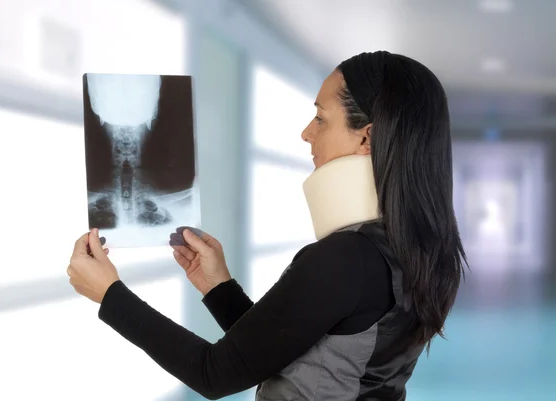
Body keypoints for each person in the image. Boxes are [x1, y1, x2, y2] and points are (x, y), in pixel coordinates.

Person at [67, 51, 467, 400]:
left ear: (367, 139)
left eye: (321, 119)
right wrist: (218, 288)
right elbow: (283, 349)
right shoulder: (411, 247)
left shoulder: (346, 258)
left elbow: (215, 373)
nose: (306, 133)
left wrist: (110, 296)